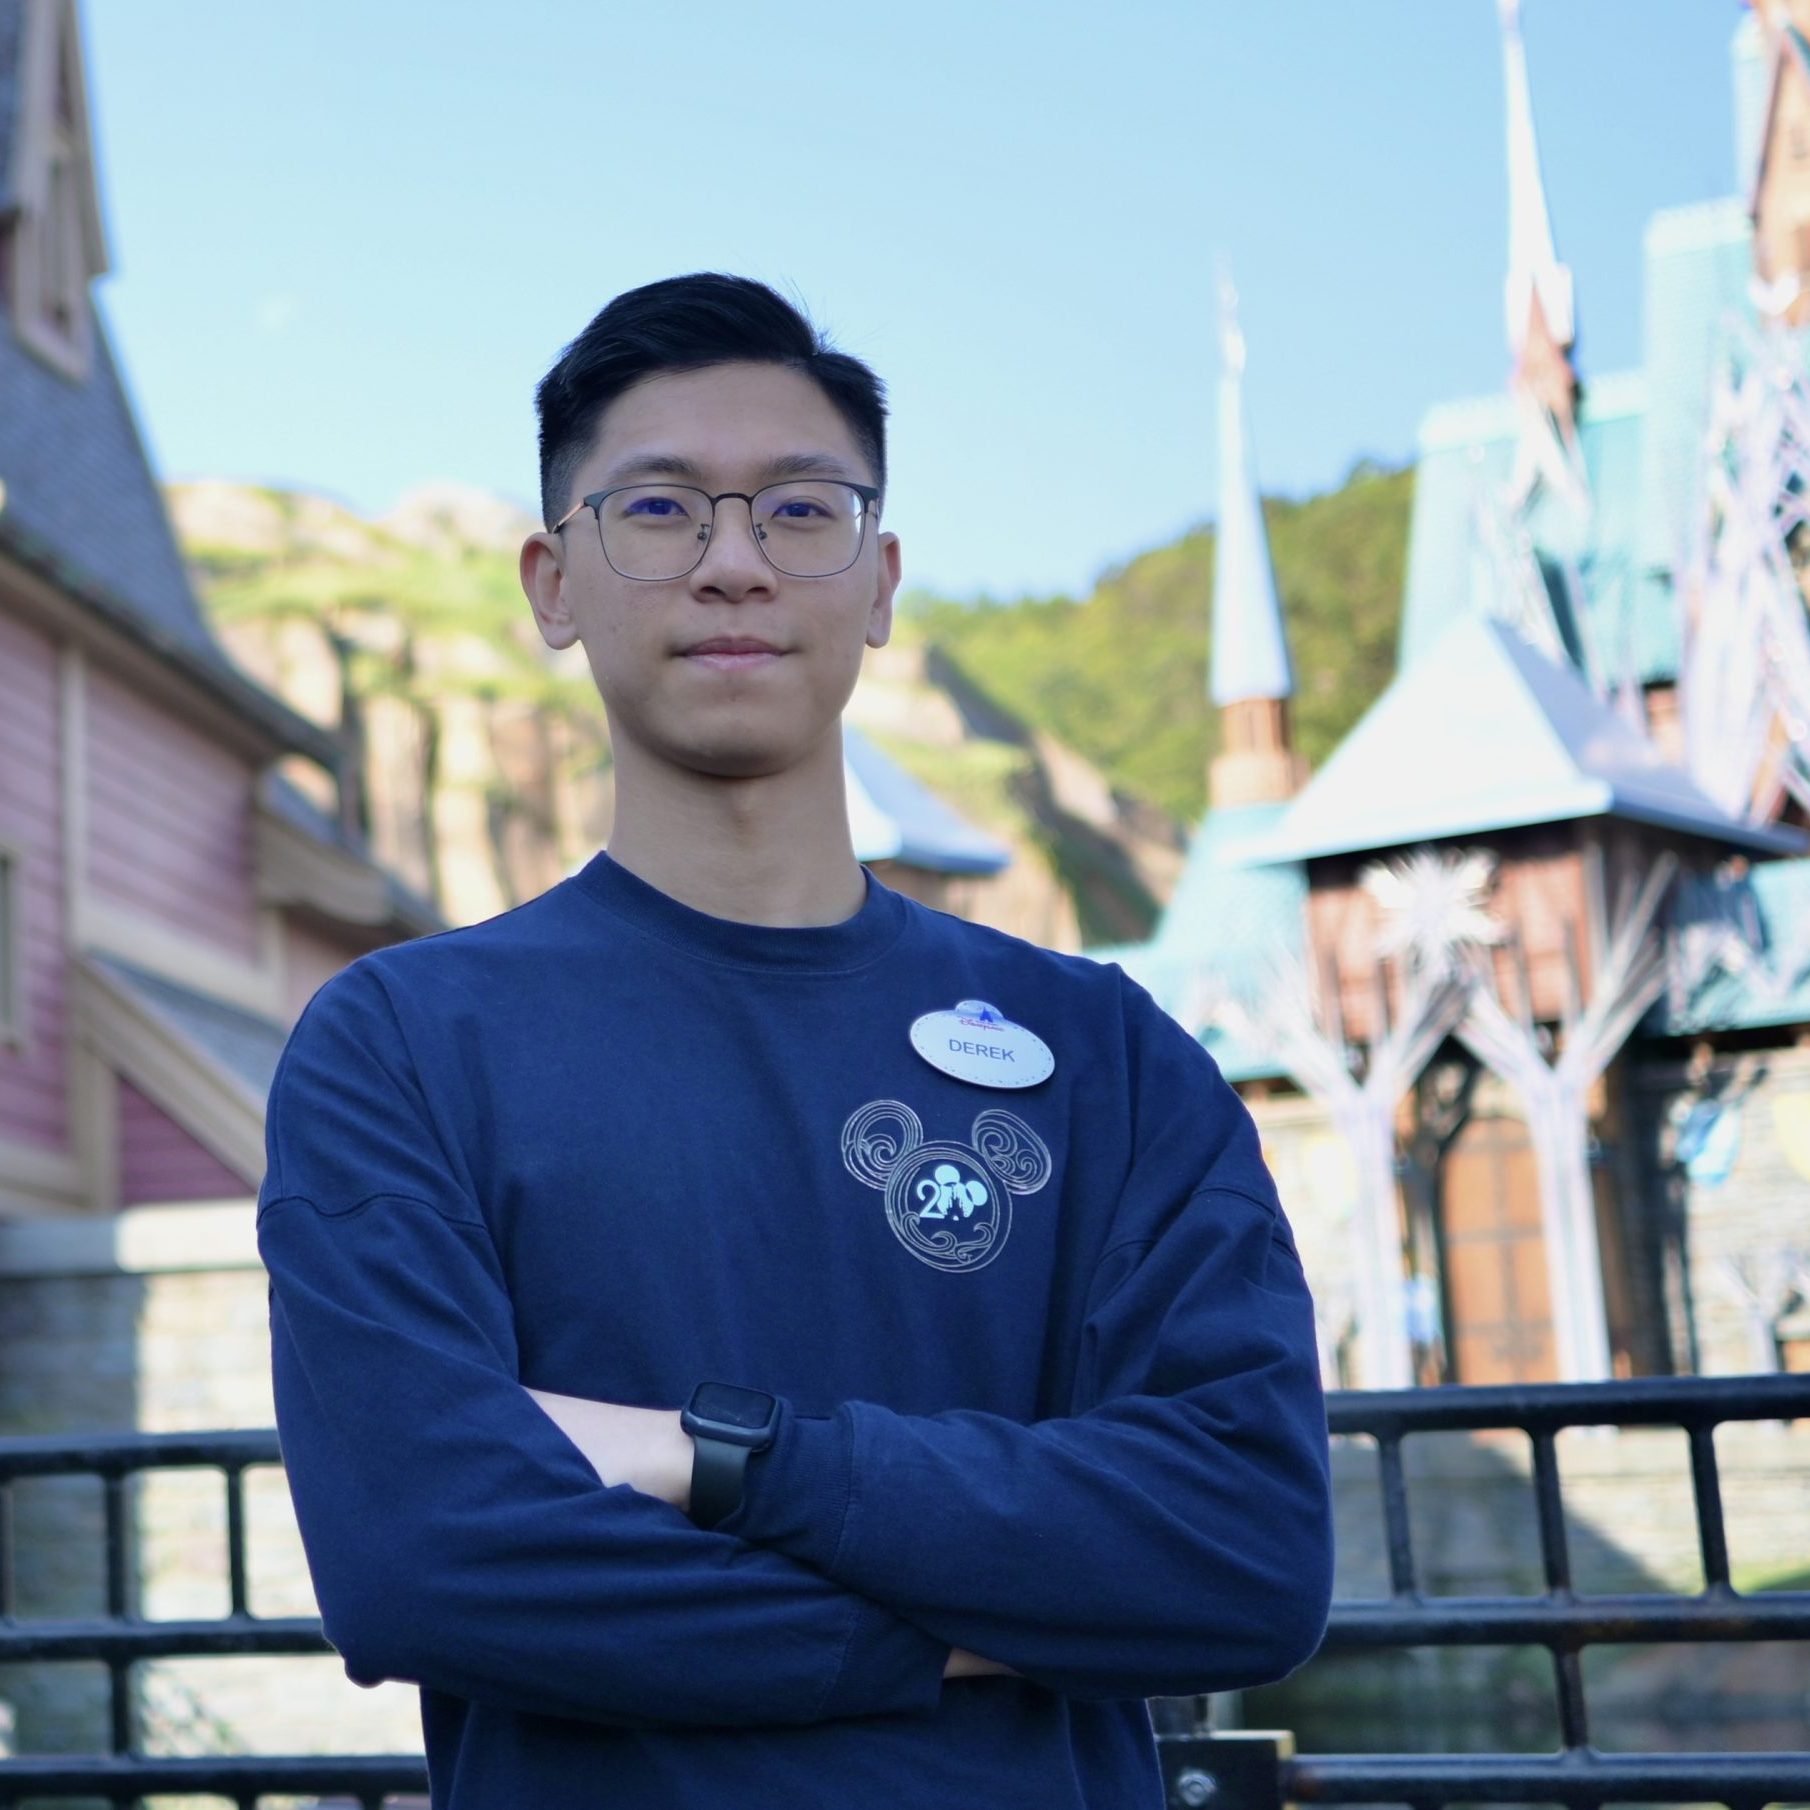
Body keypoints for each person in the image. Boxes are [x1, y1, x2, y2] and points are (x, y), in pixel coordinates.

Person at [258, 272, 1334, 1810]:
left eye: (799, 511)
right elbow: (425, 1560)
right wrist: (970, 1627)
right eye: (659, 511)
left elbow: (1241, 1553)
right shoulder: (405, 1046)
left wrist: (725, 1456)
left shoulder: (1102, 1051)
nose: (735, 563)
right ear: (553, 584)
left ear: (879, 579)